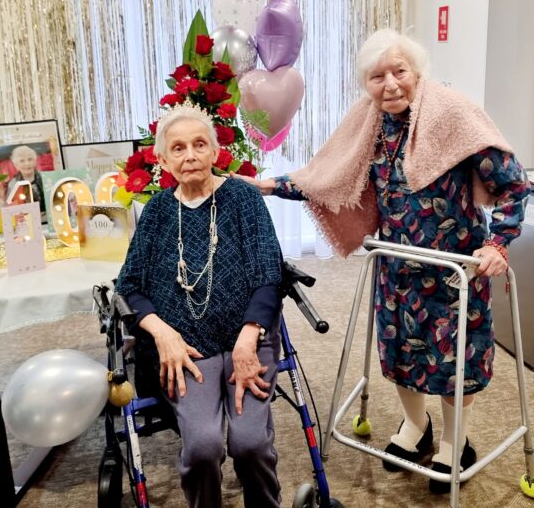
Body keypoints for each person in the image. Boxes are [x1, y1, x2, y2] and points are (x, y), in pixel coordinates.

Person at [237, 29, 530, 494]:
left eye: (400, 72)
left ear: (417, 73)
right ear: (365, 83)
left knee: (455, 362)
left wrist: (498, 243)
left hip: (456, 270)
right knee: (400, 354)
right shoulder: (367, 121)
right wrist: (269, 186)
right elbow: (327, 176)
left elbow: (514, 184)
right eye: (377, 76)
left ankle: (456, 442)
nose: (390, 84)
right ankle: (416, 429)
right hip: (397, 264)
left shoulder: (454, 114)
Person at [115, 104, 283, 508]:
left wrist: (249, 339)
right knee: (204, 446)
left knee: (250, 443)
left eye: (198, 144)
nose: (189, 155)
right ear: (163, 159)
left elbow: (268, 275)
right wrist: (162, 332)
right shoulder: (156, 212)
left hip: (248, 338)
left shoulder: (243, 197)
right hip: (186, 348)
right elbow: (130, 285)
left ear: (213, 151)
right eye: (178, 148)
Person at [0, 144, 45, 213]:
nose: (27, 163)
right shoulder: (12, 184)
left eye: (30, 159)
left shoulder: (45, 177)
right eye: (22, 161)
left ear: (35, 162)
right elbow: (10, 209)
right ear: (16, 165)